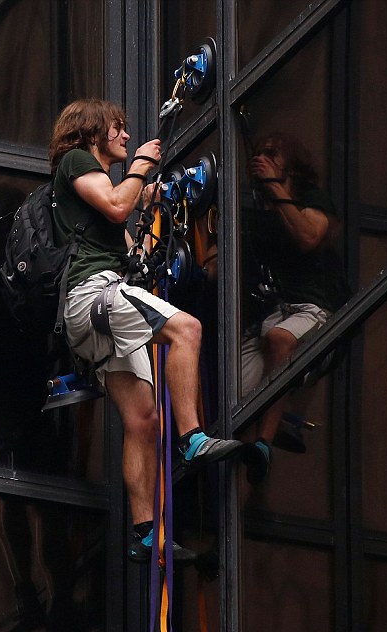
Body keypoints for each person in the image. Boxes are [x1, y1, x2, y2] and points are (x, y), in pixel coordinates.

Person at [49, 98, 247, 563]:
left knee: (142, 419)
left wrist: (151, 197)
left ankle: (145, 534)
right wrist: (138, 169)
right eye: (117, 128)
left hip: (98, 307)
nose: (124, 135)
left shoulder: (90, 196)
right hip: (92, 295)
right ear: (91, 131)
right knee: (187, 329)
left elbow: (128, 242)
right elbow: (118, 206)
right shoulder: (76, 160)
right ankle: (193, 440)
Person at [239, 132, 350, 483]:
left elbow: (308, 236)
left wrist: (276, 186)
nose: (263, 158)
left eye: (272, 153)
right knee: (239, 393)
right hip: (275, 307)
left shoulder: (311, 199)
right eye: (259, 153)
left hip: (315, 306)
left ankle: (264, 445)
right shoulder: (255, 215)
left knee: (279, 339)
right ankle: (271, 425)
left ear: (291, 163)